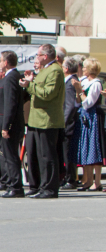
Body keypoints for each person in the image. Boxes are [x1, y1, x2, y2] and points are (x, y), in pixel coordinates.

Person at [19, 44, 65, 198]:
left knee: (47, 156)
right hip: (37, 119)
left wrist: (29, 86)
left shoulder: (55, 71)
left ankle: (50, 188)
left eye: (38, 55)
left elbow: (47, 94)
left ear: (45, 56)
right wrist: (31, 82)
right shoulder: (45, 70)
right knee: (37, 156)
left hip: (47, 120)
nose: (36, 58)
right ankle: (40, 186)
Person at [0, 52, 25, 197]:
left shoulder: (11, 77)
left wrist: (6, 126)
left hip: (11, 124)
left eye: (0, 61)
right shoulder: (9, 77)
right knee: (8, 156)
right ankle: (13, 185)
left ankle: (15, 187)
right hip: (9, 123)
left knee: (10, 157)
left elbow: (10, 104)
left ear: (6, 63)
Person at [71, 57, 103, 191]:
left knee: (93, 148)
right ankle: (87, 179)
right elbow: (78, 101)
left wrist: (79, 91)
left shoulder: (96, 83)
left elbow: (88, 103)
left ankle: (95, 180)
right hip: (84, 117)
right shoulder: (84, 81)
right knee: (85, 147)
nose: (82, 69)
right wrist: (78, 91)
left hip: (92, 118)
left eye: (84, 67)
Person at [61, 56, 81, 189]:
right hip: (69, 123)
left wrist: (63, 122)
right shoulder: (70, 81)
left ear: (67, 69)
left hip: (68, 124)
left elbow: (70, 106)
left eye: (62, 66)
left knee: (67, 152)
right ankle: (68, 177)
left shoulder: (70, 83)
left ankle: (70, 179)